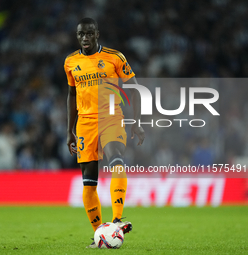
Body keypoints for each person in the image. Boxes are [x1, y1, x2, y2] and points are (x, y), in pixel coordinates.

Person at [64, 17, 145, 248]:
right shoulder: (70, 62)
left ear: (97, 34)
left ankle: (117, 220)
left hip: (111, 118)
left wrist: (136, 122)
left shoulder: (114, 57)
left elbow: (135, 89)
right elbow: (71, 95)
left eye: (89, 33)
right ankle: (100, 234)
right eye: (81, 34)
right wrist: (70, 130)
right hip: (85, 124)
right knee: (89, 183)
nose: (85, 38)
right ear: (77, 36)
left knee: (116, 159)